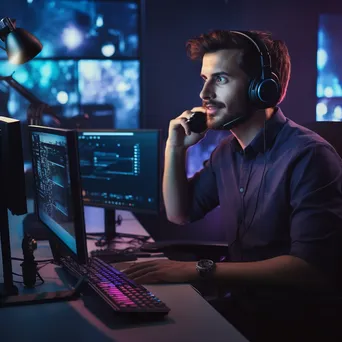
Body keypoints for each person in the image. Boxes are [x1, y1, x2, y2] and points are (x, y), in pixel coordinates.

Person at [124, 30, 342, 341]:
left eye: (221, 79)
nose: (205, 93)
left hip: (292, 323)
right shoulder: (226, 152)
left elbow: (309, 269)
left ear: (263, 89)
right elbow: (180, 213)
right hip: (240, 307)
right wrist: (175, 149)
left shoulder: (310, 157)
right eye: (204, 79)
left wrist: (195, 269)